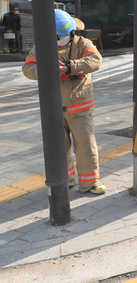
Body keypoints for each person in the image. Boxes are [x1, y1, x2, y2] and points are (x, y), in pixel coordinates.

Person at [22, 10, 106, 194]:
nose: (63, 38)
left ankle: (90, 182)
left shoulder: (82, 43)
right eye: (60, 35)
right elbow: (28, 68)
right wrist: (50, 70)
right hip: (53, 106)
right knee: (59, 147)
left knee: (85, 145)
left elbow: (95, 61)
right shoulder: (43, 46)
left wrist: (69, 67)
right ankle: (65, 179)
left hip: (80, 106)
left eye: (66, 34)